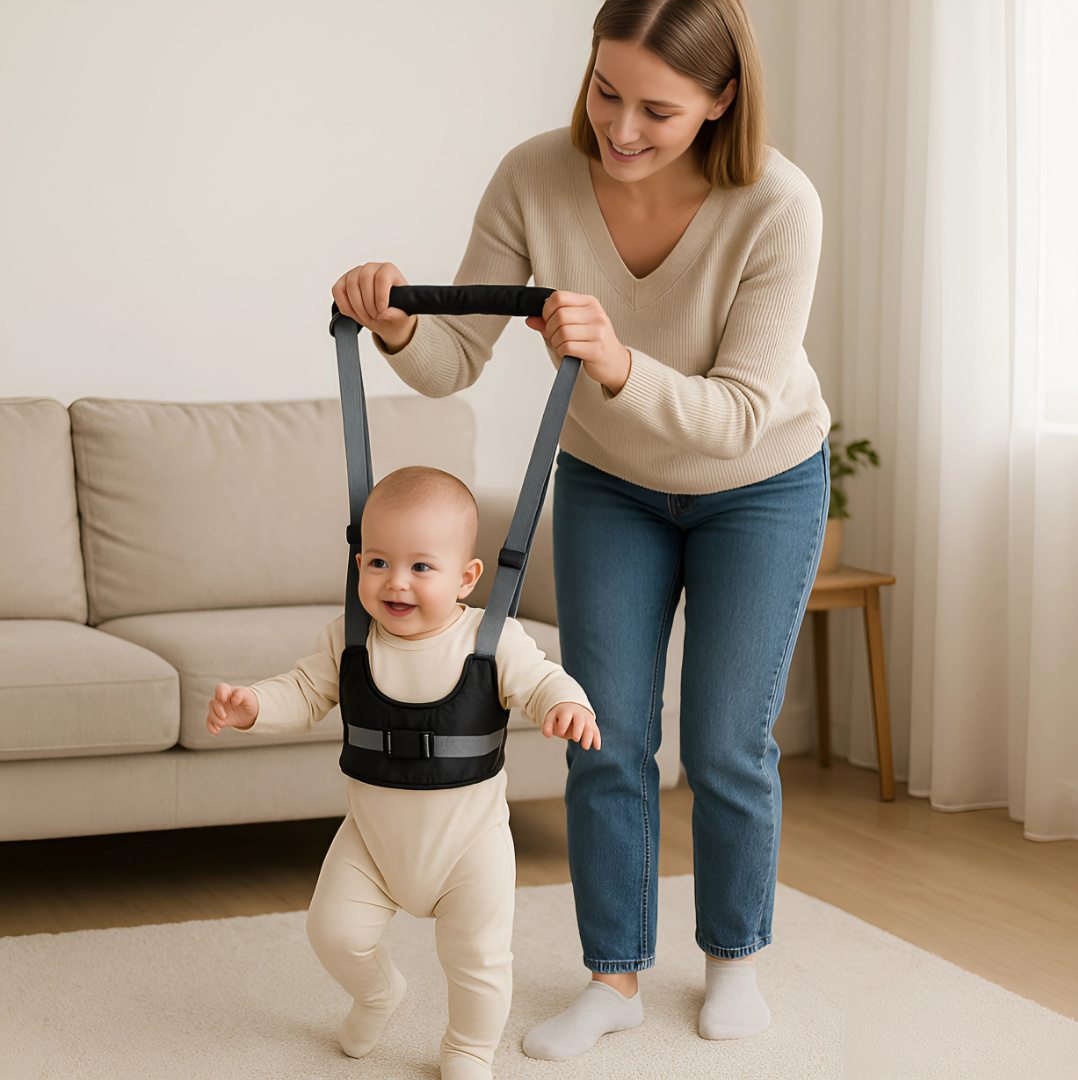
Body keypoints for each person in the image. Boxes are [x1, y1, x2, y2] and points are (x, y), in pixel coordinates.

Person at [331, 0, 830, 1062]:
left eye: (659, 107)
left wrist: (615, 364)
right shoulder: (534, 177)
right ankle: (614, 976)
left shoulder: (778, 204)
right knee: (605, 731)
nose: (623, 128)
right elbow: (453, 360)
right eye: (608, 91)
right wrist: (399, 324)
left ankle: (733, 961)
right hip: (609, 479)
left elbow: (741, 413)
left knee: (728, 740)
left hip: (761, 480)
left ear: (722, 98)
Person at [205, 466, 598, 1080]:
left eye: (421, 567)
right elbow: (305, 690)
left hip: (470, 847)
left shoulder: (491, 641)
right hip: (373, 842)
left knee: (478, 959)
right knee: (331, 931)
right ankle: (378, 992)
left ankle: (469, 1048)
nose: (396, 583)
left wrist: (566, 705)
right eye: (378, 562)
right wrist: (254, 706)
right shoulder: (350, 638)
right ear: (358, 562)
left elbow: (544, 679)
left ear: (467, 578)